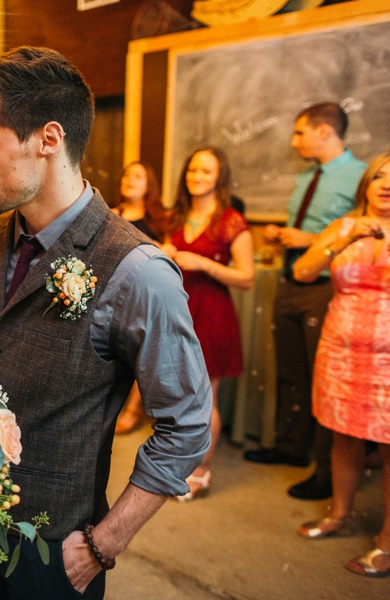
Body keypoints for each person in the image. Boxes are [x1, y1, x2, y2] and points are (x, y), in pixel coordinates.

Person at [0, 47, 212, 599]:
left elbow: (187, 424)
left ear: (48, 139)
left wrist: (106, 542)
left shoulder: (138, 271)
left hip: (53, 553)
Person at [243, 103, 366, 501]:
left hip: (327, 287)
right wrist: (286, 236)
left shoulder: (363, 176)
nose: (294, 142)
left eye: (300, 133)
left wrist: (309, 240)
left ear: (325, 130)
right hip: (290, 280)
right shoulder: (306, 178)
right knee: (292, 370)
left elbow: (365, 234)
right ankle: (290, 447)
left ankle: (327, 470)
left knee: (323, 378)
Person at [292, 153, 390, 577]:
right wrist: (344, 239)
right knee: (344, 437)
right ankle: (341, 514)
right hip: (341, 348)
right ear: (366, 185)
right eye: (379, 177)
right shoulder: (344, 225)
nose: (387, 184)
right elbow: (302, 270)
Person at [162, 147, 255, 501]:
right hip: (178, 311)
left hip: (212, 313)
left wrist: (204, 263)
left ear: (219, 177)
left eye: (205, 171)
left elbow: (247, 277)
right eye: (192, 170)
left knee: (204, 398)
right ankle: (178, 461)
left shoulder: (230, 219)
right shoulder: (177, 216)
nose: (196, 176)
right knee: (175, 395)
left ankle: (202, 469)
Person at [107, 161, 167, 435]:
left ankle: (134, 409)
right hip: (110, 288)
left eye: (138, 176)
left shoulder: (160, 220)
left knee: (142, 348)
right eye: (126, 174)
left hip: (143, 292)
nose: (130, 179)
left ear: (149, 185)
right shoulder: (109, 214)